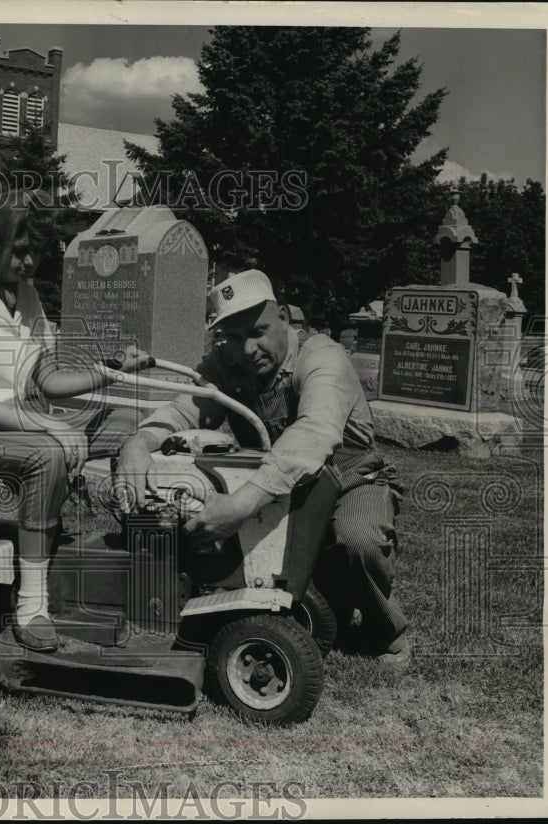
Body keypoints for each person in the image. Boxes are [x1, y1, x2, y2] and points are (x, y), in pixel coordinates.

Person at [115, 269, 410, 666]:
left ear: (285, 318)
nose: (247, 349)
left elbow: (313, 434)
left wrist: (240, 505)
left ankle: (385, 630)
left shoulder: (321, 356)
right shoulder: (225, 363)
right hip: (276, 489)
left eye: (258, 331)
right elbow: (187, 407)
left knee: (358, 540)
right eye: (233, 338)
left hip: (349, 478)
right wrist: (139, 443)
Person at [0, 193, 149, 652]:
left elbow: (49, 379)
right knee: (47, 451)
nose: (30, 261)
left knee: (126, 423)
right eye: (20, 250)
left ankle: (132, 556)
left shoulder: (29, 298)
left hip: (11, 427)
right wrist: (50, 426)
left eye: (36, 250)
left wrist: (112, 368)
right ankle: (31, 605)